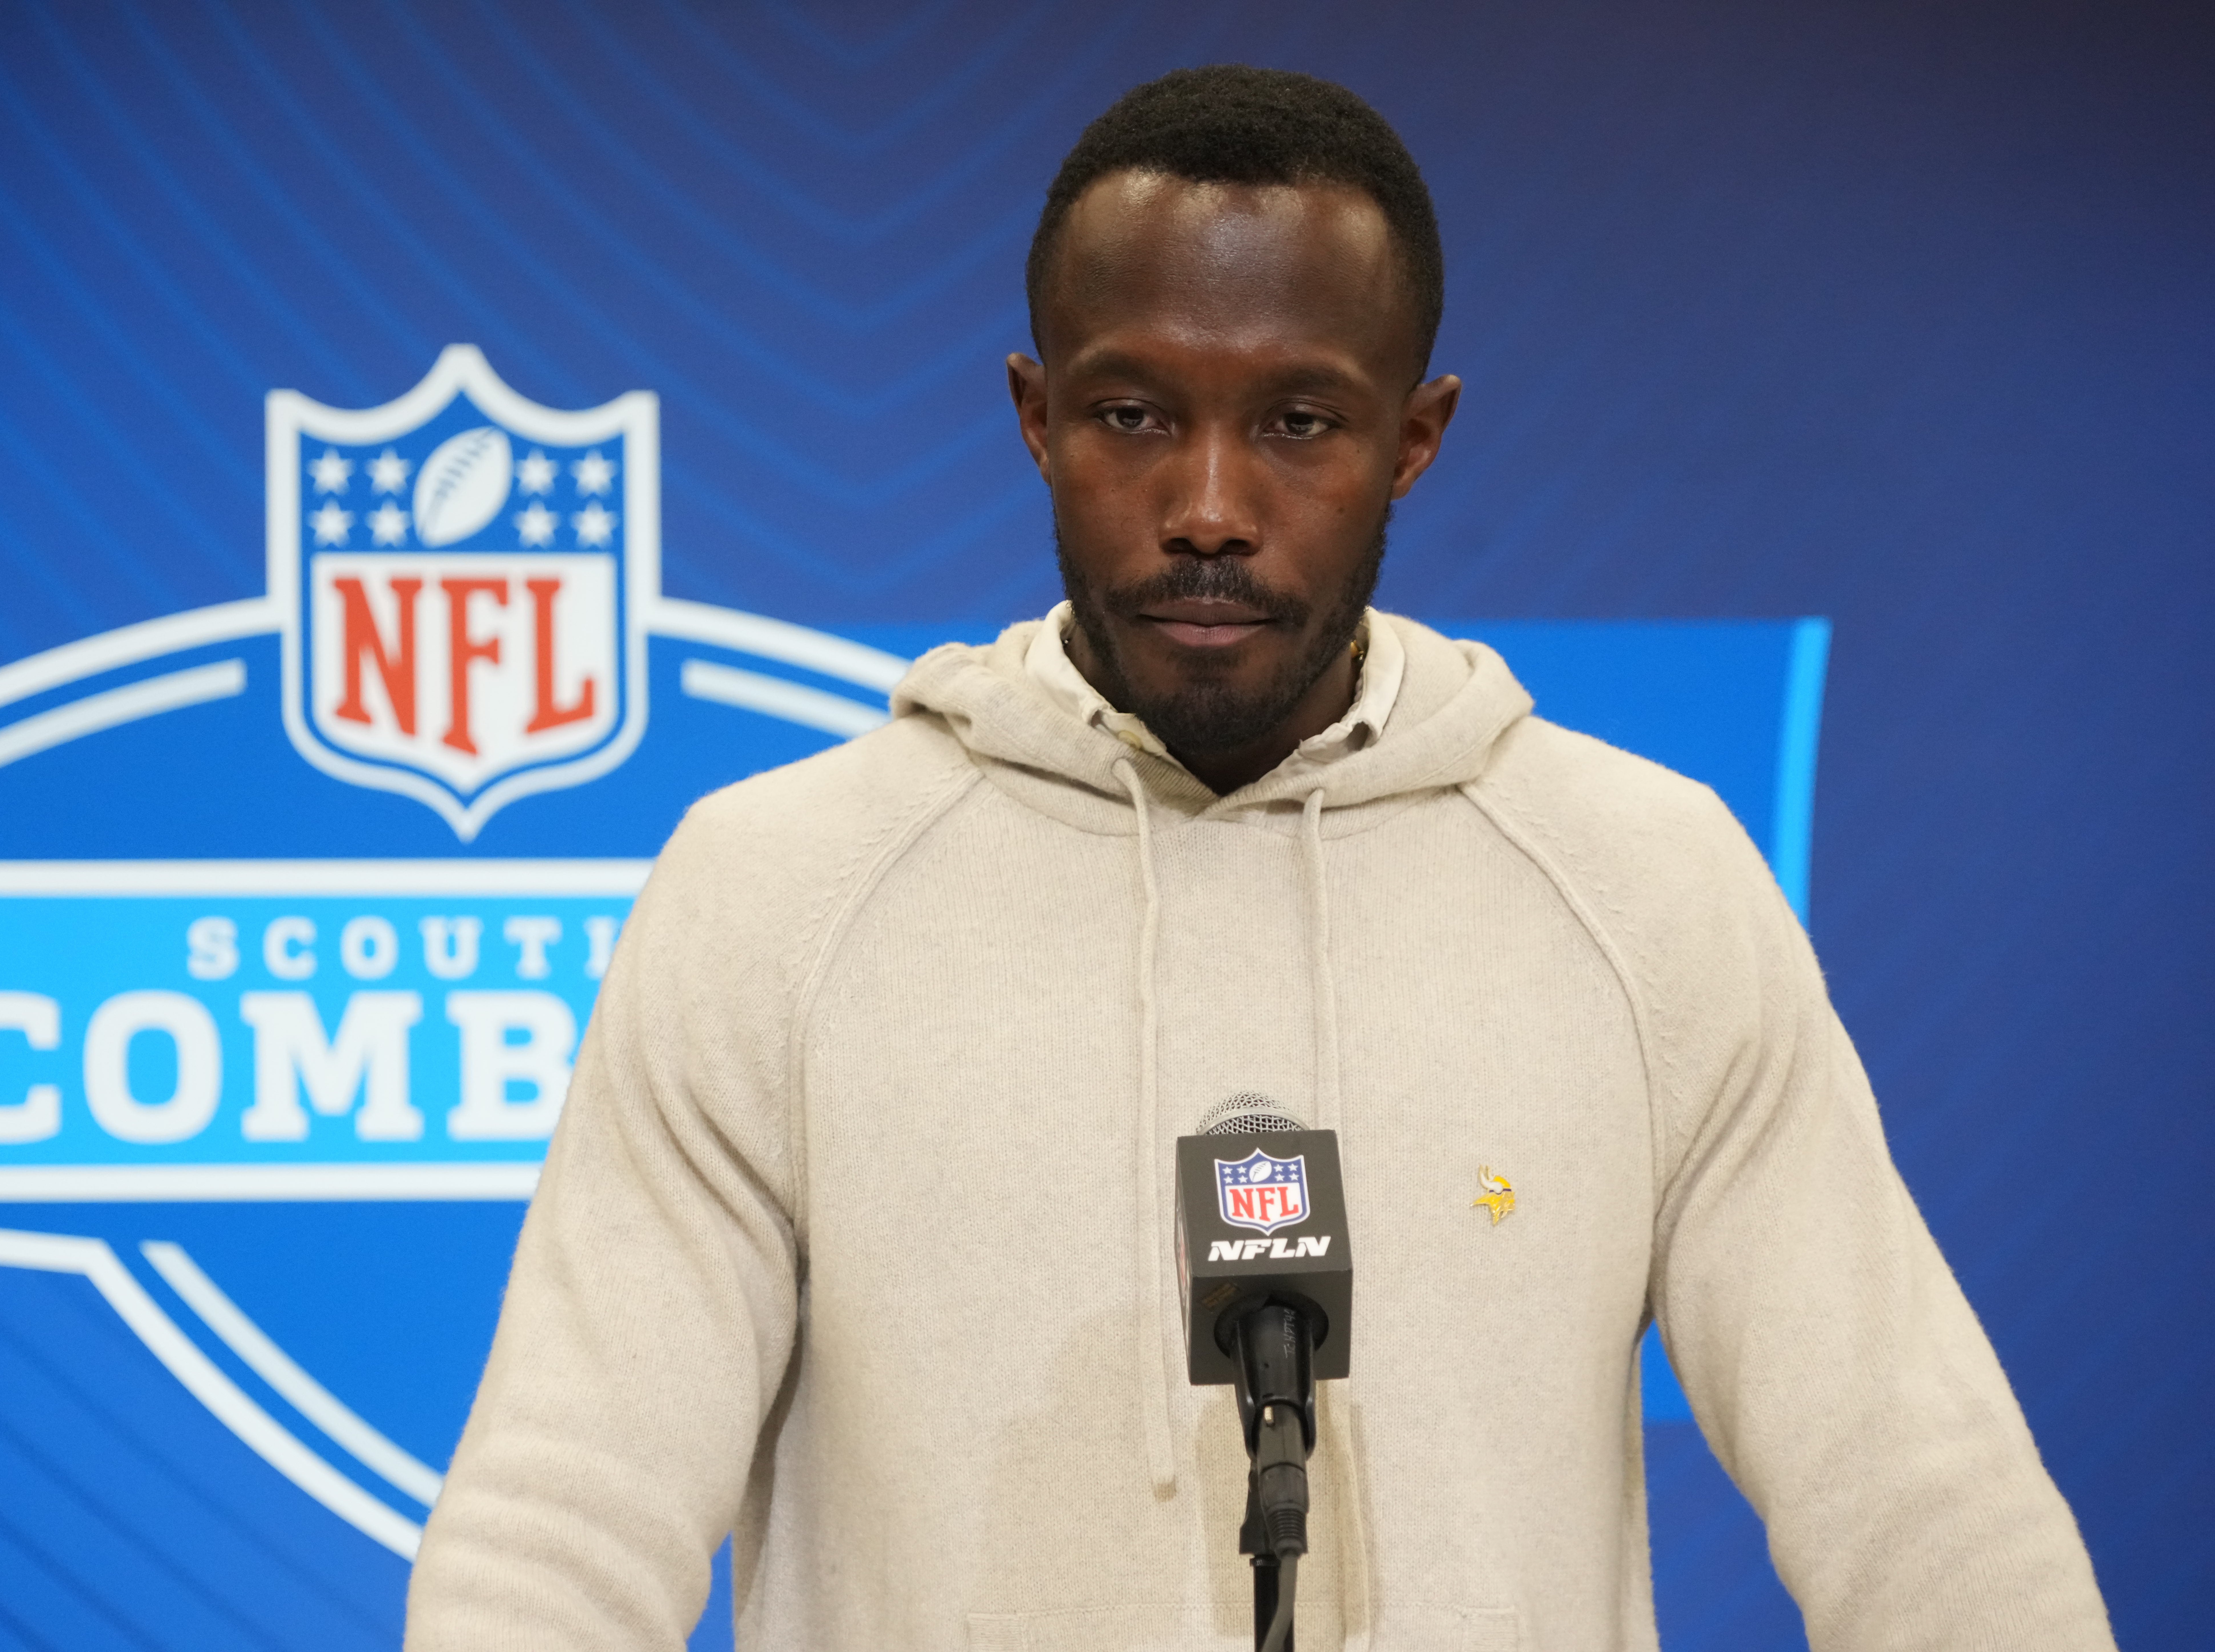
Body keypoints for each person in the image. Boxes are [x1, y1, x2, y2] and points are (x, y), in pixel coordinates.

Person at [407, 66, 2113, 1651]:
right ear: (1034, 417)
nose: (1210, 506)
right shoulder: (776, 894)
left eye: (1299, 422)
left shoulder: (1647, 888)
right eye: (1133, 413)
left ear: (1416, 438)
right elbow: (564, 1523)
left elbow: (1921, 1501)